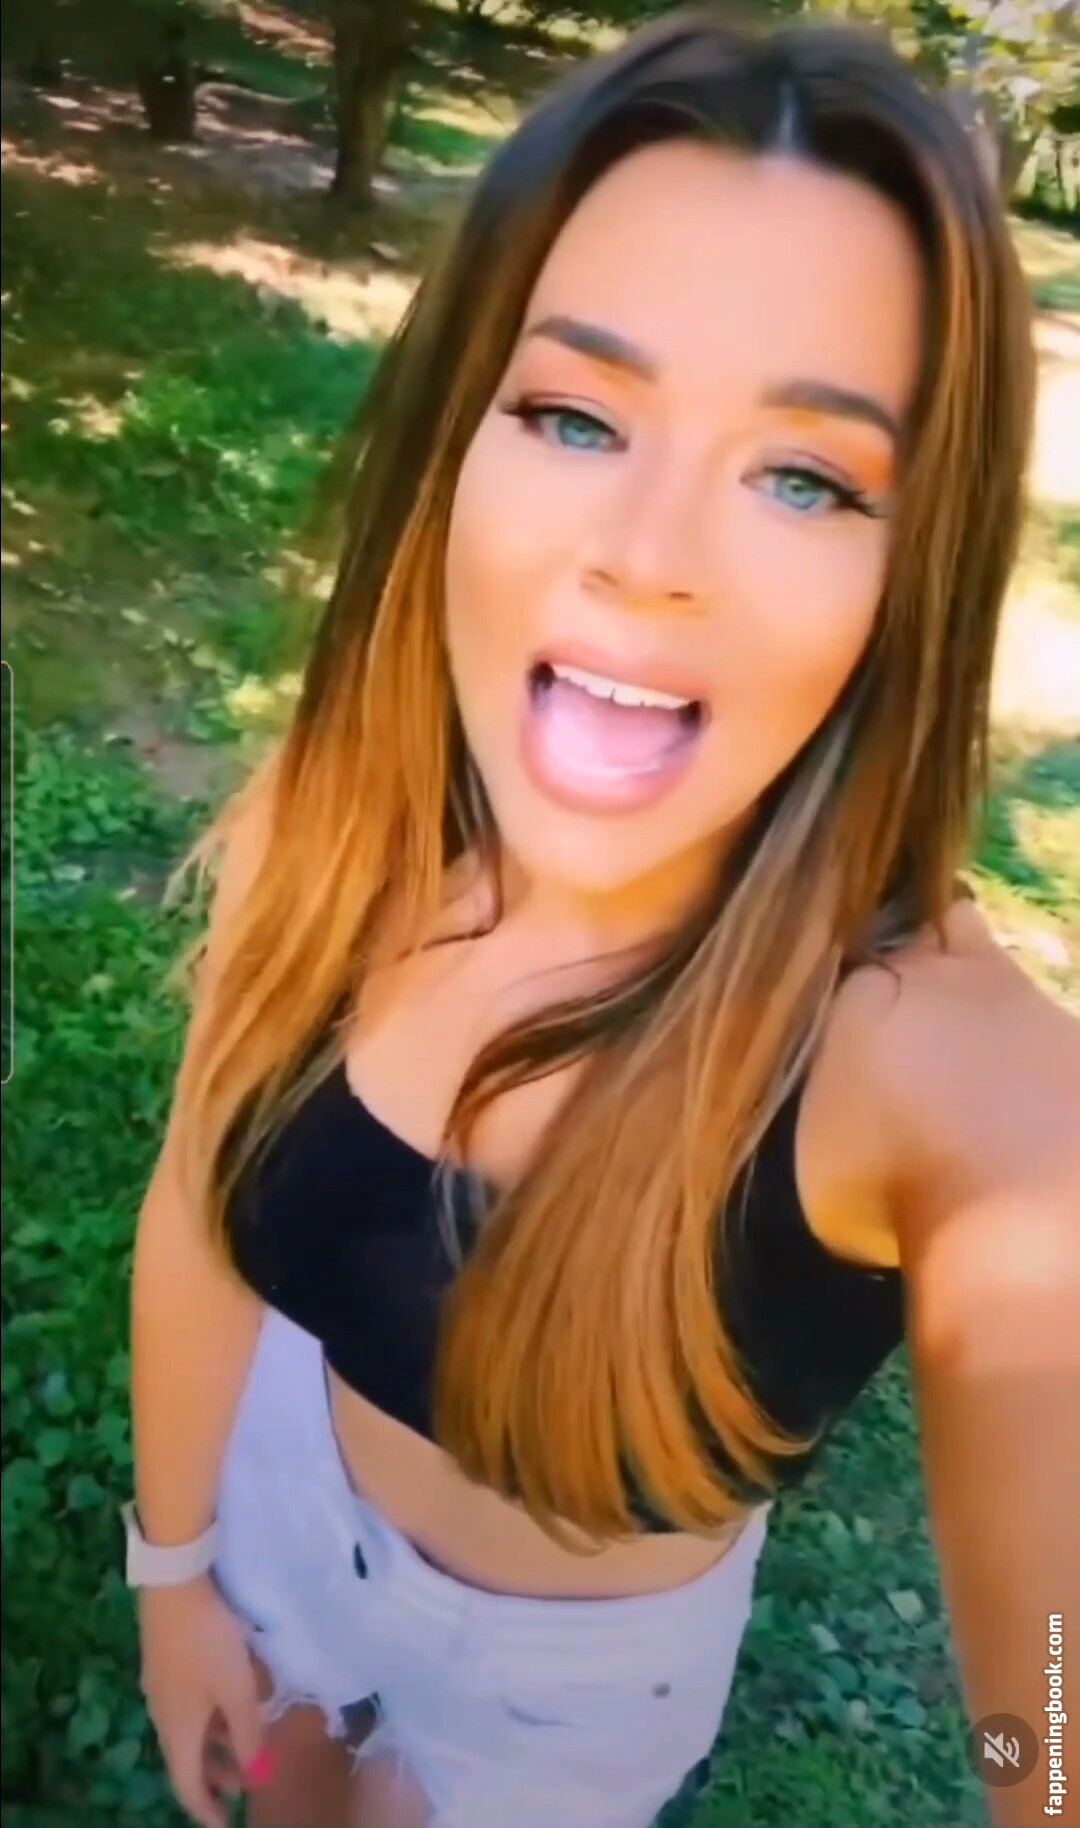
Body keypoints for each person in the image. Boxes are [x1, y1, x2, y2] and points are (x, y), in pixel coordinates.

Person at [128, 11, 1080, 1828]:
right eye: (573, 413)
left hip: (563, 1704)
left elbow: (1057, 1702)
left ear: (916, 572)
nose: (649, 551)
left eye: (806, 476)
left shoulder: (958, 1090)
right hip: (276, 1507)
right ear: (453, 443)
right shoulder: (333, 831)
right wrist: (172, 1576)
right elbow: (195, 1209)